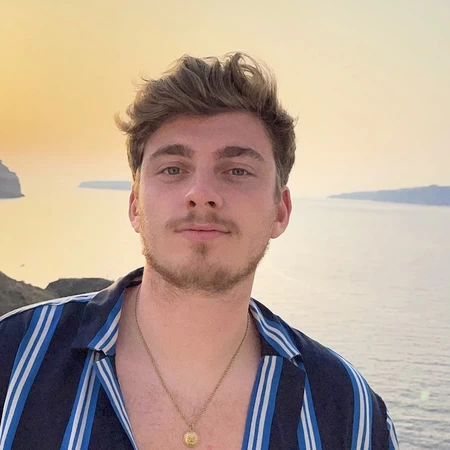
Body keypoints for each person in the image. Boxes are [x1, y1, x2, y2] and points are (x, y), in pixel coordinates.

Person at [0, 53, 399, 450]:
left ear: (280, 211)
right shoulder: (13, 359)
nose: (201, 194)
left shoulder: (350, 415)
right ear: (136, 205)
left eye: (237, 170)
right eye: (173, 169)